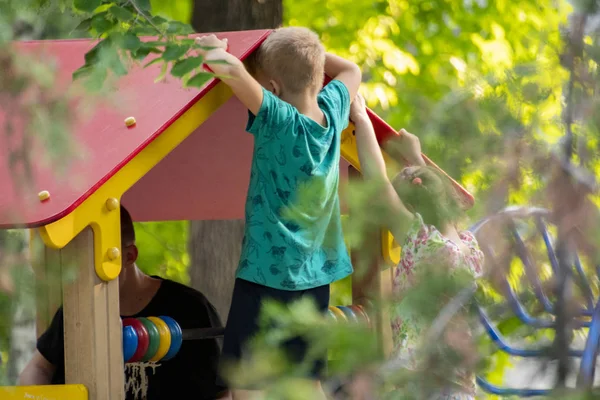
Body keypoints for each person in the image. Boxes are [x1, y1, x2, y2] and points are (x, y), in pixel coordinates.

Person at [194, 28, 361, 399]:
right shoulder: (332, 110)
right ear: (318, 79)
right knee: (308, 380)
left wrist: (210, 48)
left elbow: (233, 72)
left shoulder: (279, 119)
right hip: (316, 278)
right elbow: (351, 70)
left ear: (271, 86)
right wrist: (314, 55)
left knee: (245, 383)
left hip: (265, 275)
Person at [349, 93, 484, 399]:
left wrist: (360, 118)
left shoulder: (422, 243)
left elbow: (377, 182)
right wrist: (415, 158)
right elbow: (439, 200)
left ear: (412, 211)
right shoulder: (469, 248)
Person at [18, 206, 228, 400]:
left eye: (93, 260)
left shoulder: (190, 308)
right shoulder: (77, 310)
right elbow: (37, 368)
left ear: (129, 256)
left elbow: (223, 394)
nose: (83, 274)